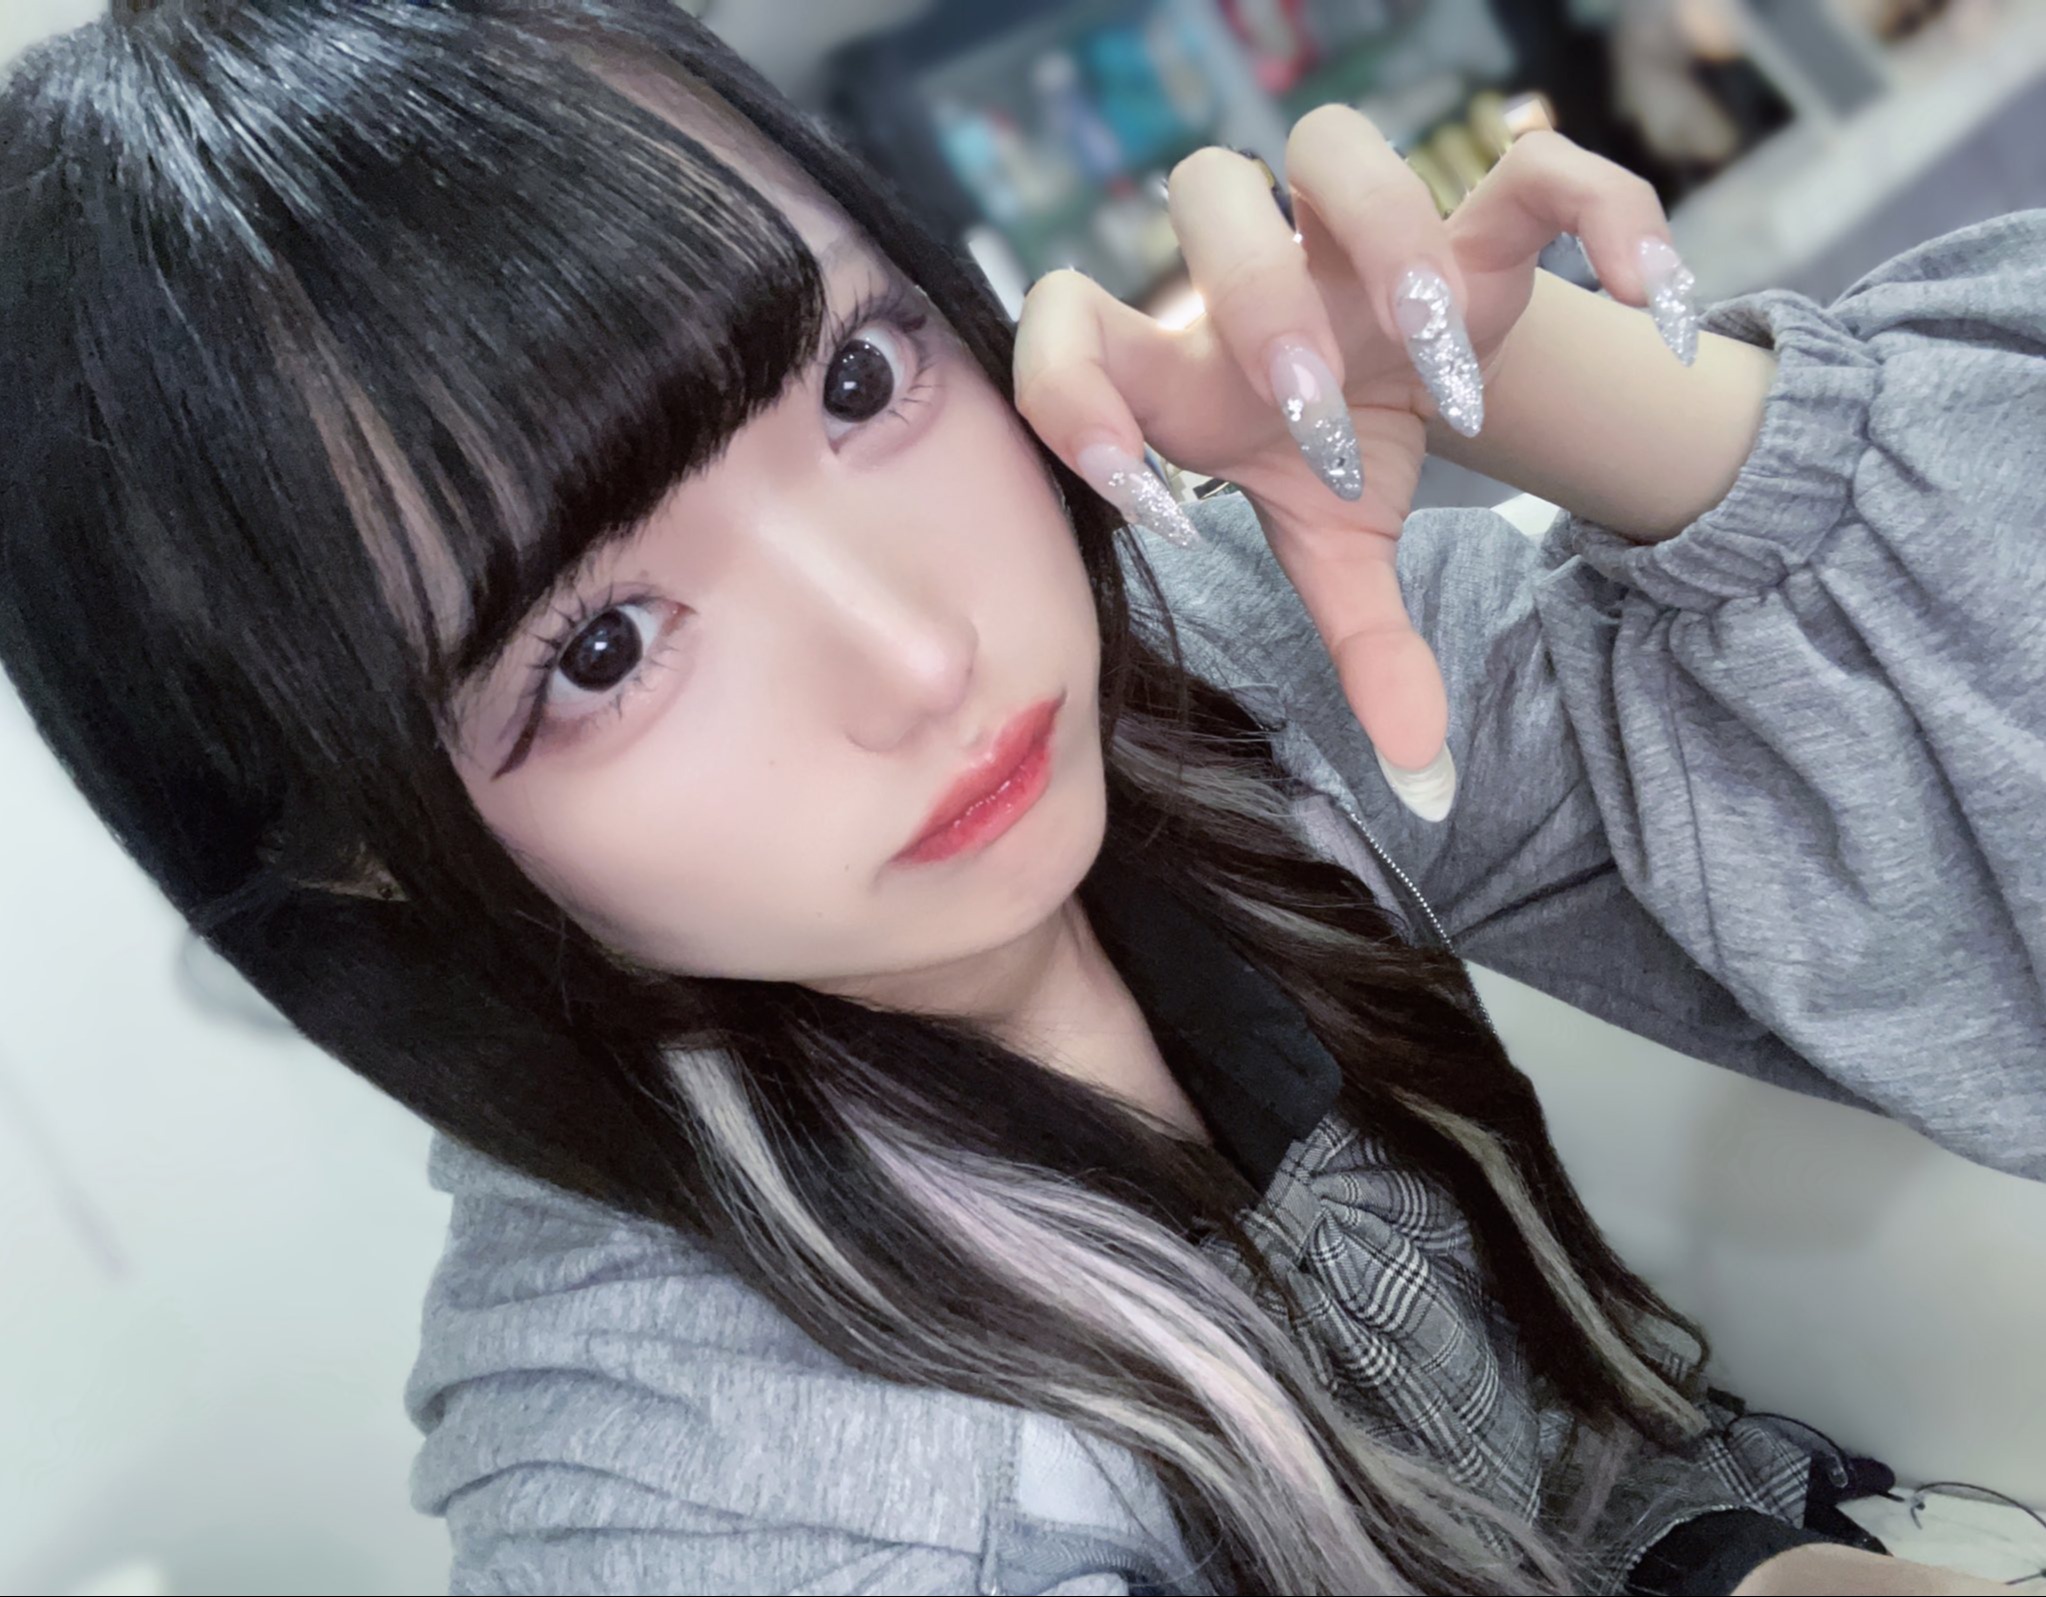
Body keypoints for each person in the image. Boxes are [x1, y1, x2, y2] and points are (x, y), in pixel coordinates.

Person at [1, 3, 2037, 1593]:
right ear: (359, 858)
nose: (919, 655)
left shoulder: (1192, 656)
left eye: (858, 381)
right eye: (599, 649)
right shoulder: (716, 1489)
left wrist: (1529, 376)